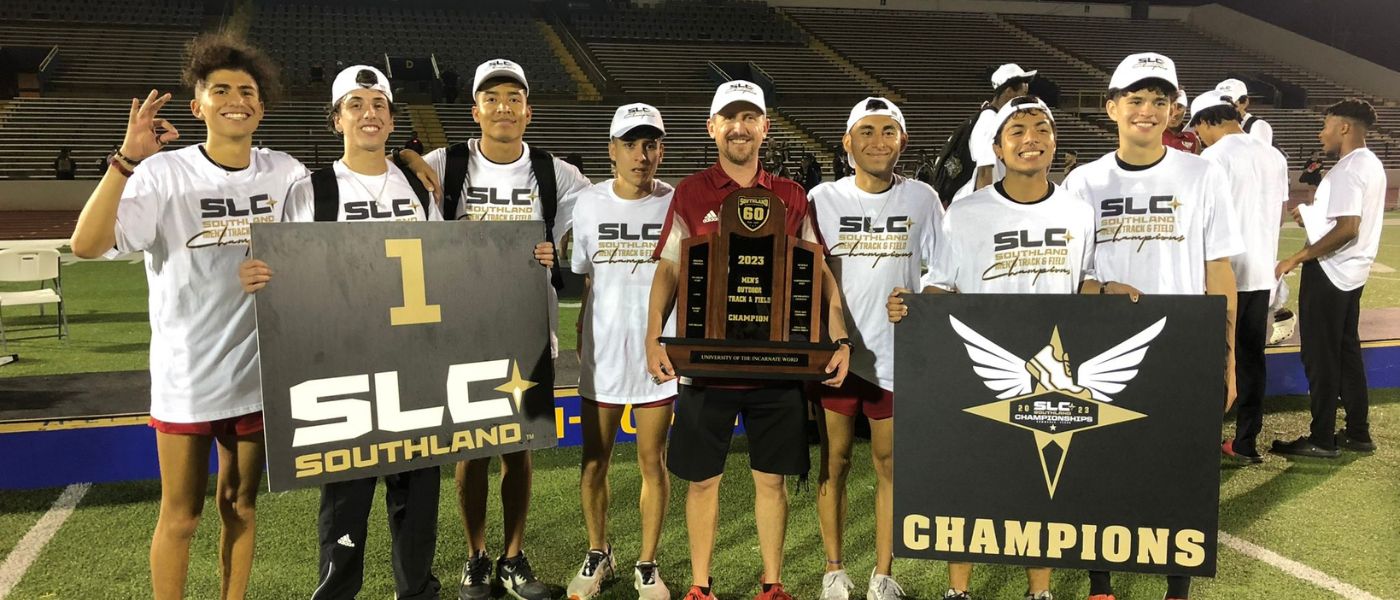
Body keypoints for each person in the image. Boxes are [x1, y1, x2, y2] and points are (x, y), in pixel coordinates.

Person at [239, 65, 445, 600]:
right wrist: (258, 273)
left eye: (379, 103)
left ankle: (417, 591)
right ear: (336, 120)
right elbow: (284, 274)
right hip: (345, 368)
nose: (369, 113)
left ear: (393, 119)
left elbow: (445, 267)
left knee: (419, 501)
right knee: (346, 502)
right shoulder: (312, 189)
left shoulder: (420, 186)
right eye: (355, 104)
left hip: (414, 366)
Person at [644, 80, 852, 600]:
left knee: (772, 480)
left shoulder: (791, 195)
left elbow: (820, 268)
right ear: (712, 127)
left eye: (750, 117)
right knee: (702, 480)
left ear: (764, 127)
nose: (740, 127)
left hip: (776, 363)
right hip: (708, 361)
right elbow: (668, 270)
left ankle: (772, 583)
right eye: (729, 118)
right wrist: (654, 337)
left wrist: (839, 335)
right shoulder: (690, 193)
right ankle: (699, 584)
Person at [888, 96, 1093, 600]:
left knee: (1044, 483)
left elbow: (1082, 280)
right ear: (998, 147)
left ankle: (1038, 591)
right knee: (973, 482)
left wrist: (1113, 294)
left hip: (1049, 373)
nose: (1031, 138)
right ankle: (958, 590)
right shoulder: (968, 210)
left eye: (1041, 127)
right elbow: (942, 285)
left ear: (1054, 141)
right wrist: (914, 310)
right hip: (983, 371)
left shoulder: (1077, 211)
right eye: (1017, 129)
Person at [1063, 52, 1243, 600]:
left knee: (1180, 469)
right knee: (1100, 467)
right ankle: (1101, 585)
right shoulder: (1082, 182)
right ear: (1111, 106)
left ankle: (1177, 588)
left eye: (1159, 101)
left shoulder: (1202, 172)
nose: (1147, 111)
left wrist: (1227, 354)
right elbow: (1070, 275)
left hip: (1182, 344)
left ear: (1174, 109)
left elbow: (1218, 268)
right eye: (1135, 99)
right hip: (1103, 345)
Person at [411, 58, 591, 600]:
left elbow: (589, 223)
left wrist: (554, 249)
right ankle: (476, 557)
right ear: (475, 110)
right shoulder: (447, 162)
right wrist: (403, 153)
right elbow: (390, 170)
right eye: (492, 98)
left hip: (527, 328)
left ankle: (513, 557)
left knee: (520, 448)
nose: (504, 107)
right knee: (471, 448)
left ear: (529, 111)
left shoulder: (553, 171)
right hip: (462, 327)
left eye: (514, 97)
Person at [808, 97, 942, 600]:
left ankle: (883, 574)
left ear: (902, 141)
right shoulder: (822, 199)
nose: (878, 141)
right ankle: (834, 571)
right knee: (834, 462)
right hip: (839, 355)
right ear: (847, 143)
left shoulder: (924, 199)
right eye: (866, 131)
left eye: (889, 131)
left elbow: (944, 273)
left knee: (888, 464)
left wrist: (923, 297)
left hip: (895, 353)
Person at [564, 103, 677, 600]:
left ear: (661, 149)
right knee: (595, 462)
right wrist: (586, 322)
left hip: (658, 357)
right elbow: (588, 275)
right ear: (611, 150)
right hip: (605, 352)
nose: (641, 154)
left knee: (654, 462)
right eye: (630, 143)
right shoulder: (587, 204)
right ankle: (598, 552)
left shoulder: (677, 202)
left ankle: (647, 563)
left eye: (650, 143)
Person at [1272, 99, 1386, 458]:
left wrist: (1298, 256)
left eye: (1326, 125)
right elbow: (1347, 221)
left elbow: (1348, 228)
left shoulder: (1350, 168)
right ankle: (1357, 433)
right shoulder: (1370, 163)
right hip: (1353, 273)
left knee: (1320, 355)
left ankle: (1322, 438)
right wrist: (1312, 217)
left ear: (1344, 128)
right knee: (1346, 351)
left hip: (1331, 272)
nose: (1321, 133)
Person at [1188, 90, 1290, 464]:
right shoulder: (1273, 155)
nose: (1198, 137)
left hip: (1224, 275)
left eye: (1198, 129)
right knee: (1252, 360)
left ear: (1206, 121)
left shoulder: (1213, 158)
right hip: (1262, 273)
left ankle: (1198, 440)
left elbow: (1204, 222)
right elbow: (1278, 214)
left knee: (1211, 361)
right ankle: (1246, 441)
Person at [943, 63, 1035, 203]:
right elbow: (985, 171)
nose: (1023, 98)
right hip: (981, 204)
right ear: (1009, 91)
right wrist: (986, 211)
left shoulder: (994, 117)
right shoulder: (990, 121)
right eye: (1022, 93)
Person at [1215, 79, 1273, 147]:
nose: (1224, 107)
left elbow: (1260, 154)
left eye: (1230, 102)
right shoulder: (1217, 126)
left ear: (1245, 102)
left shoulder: (1258, 125)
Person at [1163, 88, 1200, 154]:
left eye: (1179, 108)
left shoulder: (1193, 139)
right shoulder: (1152, 135)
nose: (1174, 113)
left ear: (1185, 111)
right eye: (1170, 108)